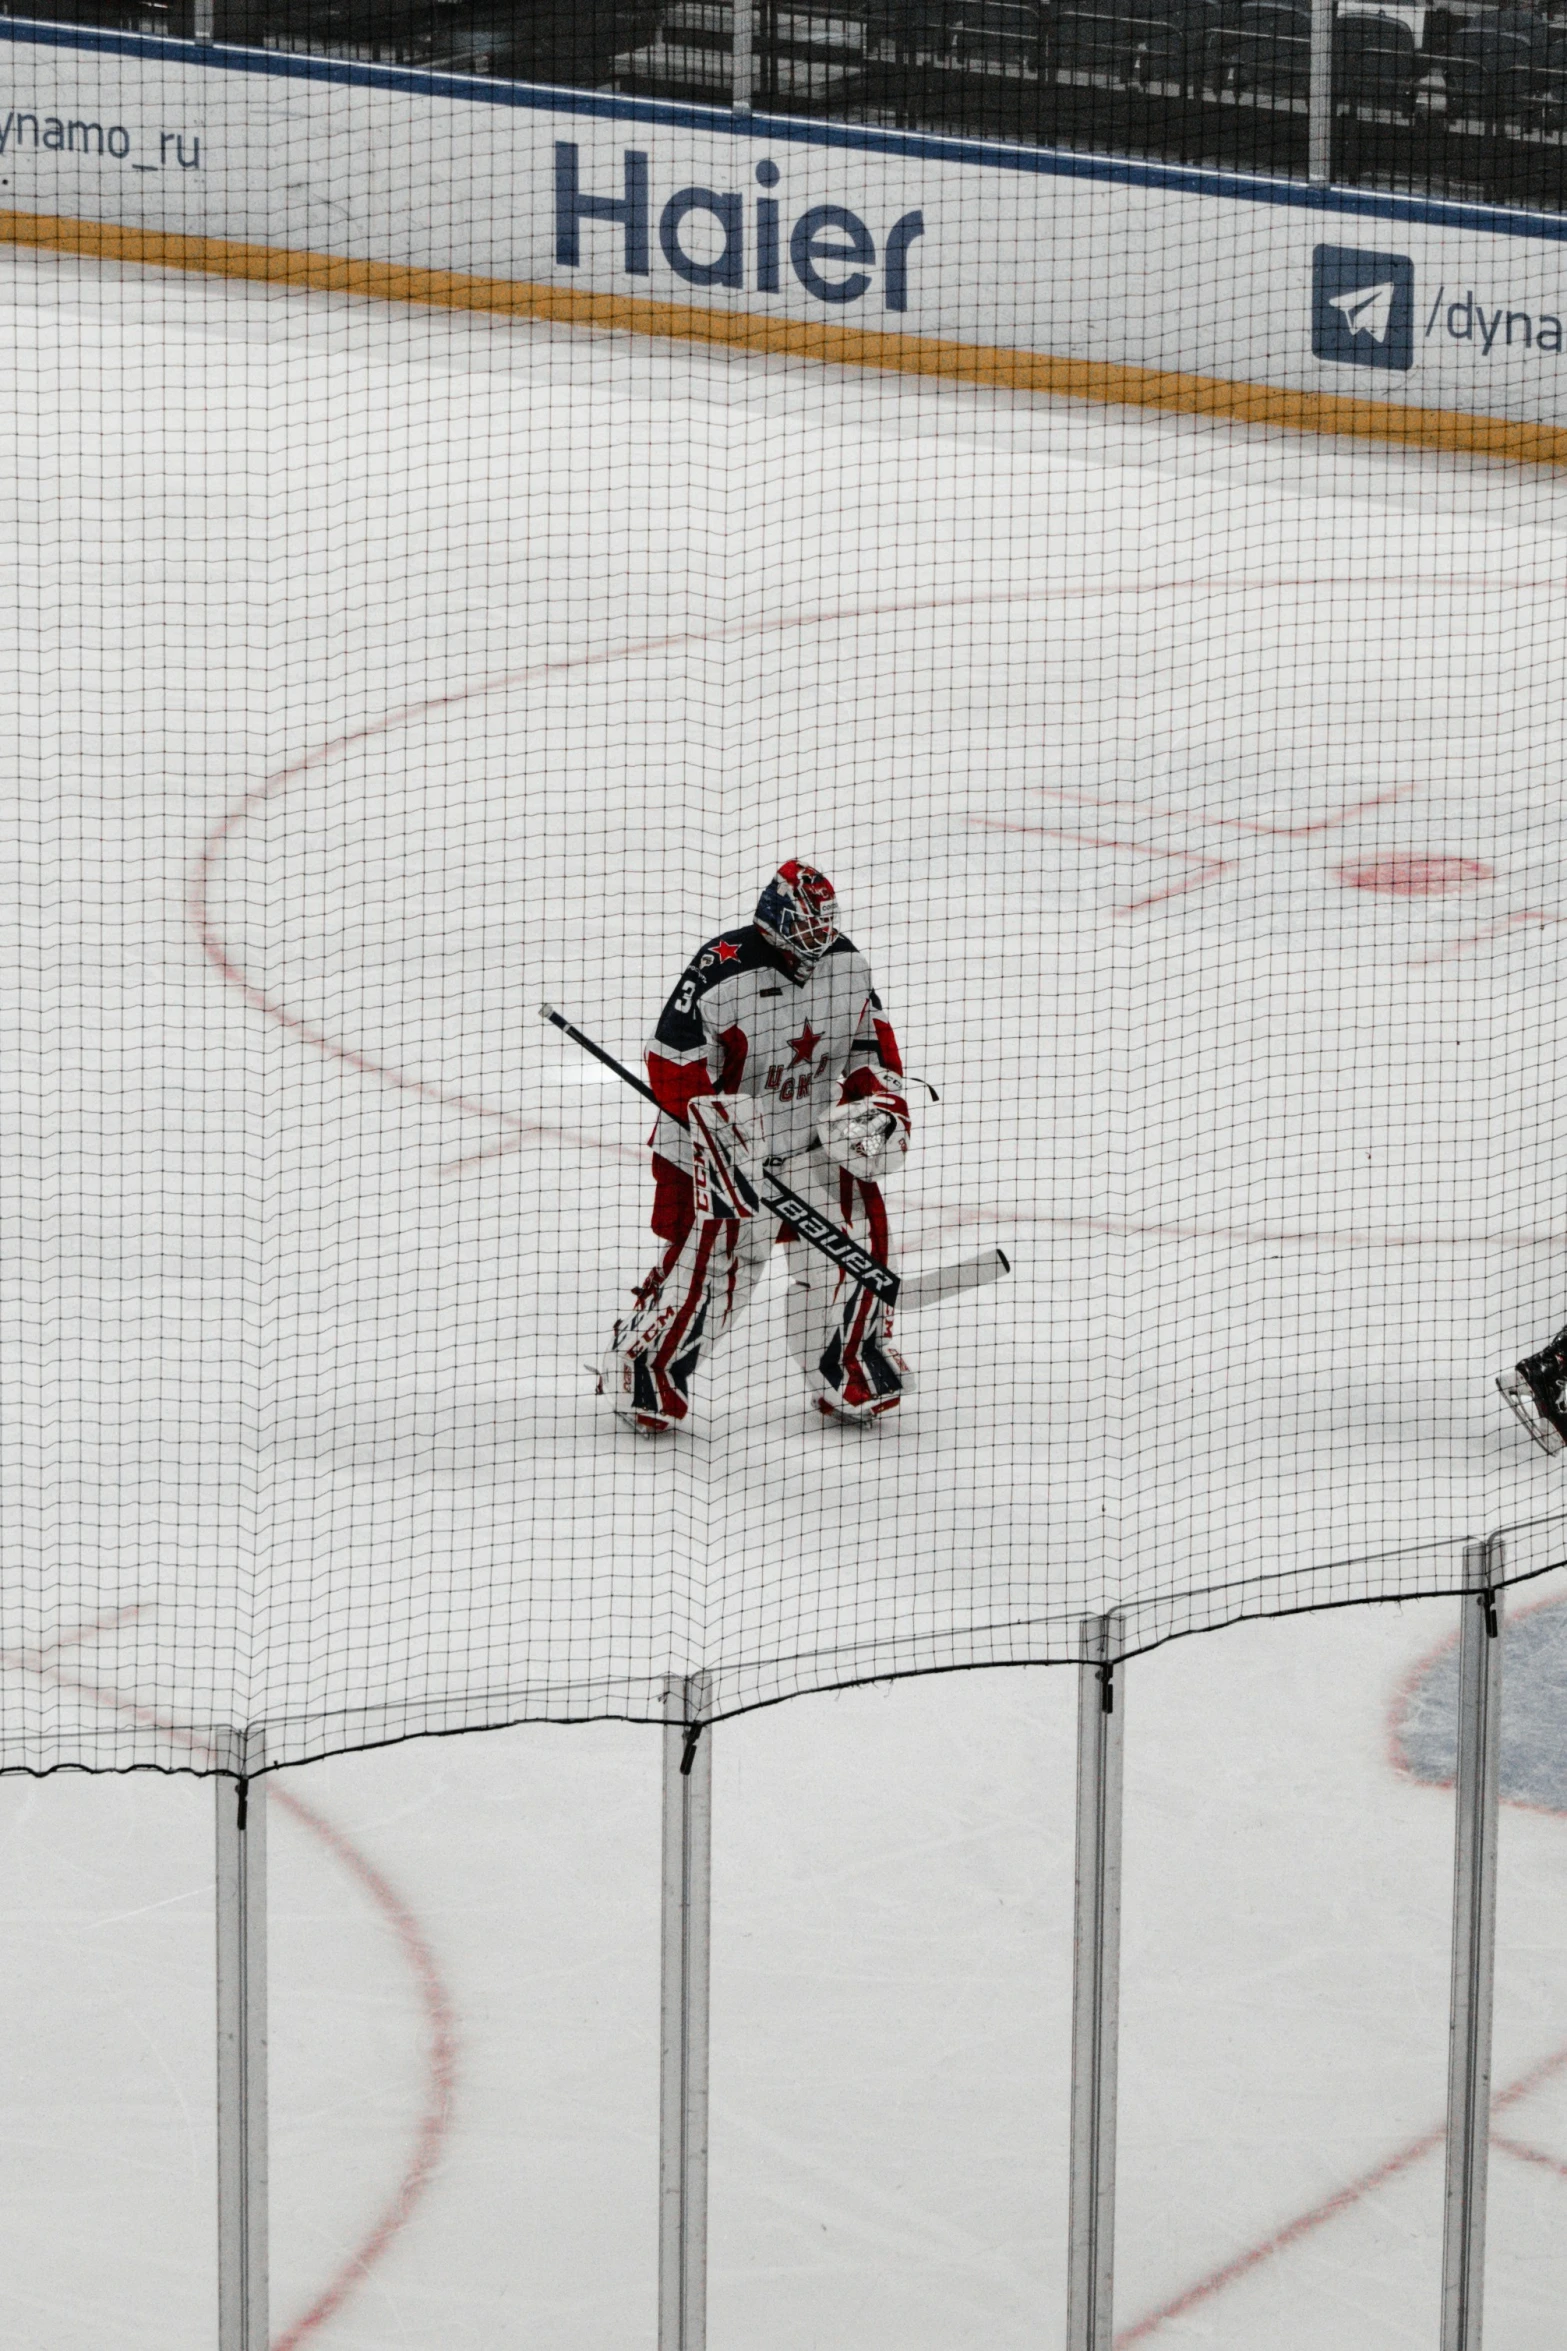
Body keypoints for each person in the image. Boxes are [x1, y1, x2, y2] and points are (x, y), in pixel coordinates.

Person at [599, 860, 912, 1435]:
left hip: (809, 1140)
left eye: (825, 925)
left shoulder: (847, 964)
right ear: (775, 917)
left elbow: (872, 1047)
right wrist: (719, 1128)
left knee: (854, 1245)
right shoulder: (721, 967)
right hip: (718, 1144)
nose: (819, 938)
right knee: (716, 1269)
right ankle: (645, 1365)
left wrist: (880, 1103)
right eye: (806, 926)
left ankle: (844, 1362)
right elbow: (670, 1063)